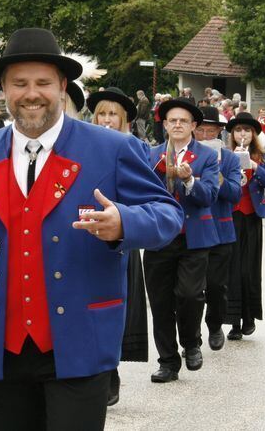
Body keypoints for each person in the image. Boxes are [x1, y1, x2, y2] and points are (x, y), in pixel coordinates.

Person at [0, 28, 183, 431]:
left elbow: (168, 215)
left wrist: (125, 222)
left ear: (62, 87)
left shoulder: (111, 148)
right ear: (3, 89)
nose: (31, 93)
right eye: (19, 83)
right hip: (0, 344)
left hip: (80, 341)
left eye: (42, 83)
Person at [144, 98, 220, 383]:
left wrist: (190, 181)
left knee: (189, 294)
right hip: (159, 237)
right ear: (165, 125)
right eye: (172, 120)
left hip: (194, 238)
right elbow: (141, 192)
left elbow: (209, 196)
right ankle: (167, 361)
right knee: (160, 302)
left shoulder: (207, 156)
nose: (177, 124)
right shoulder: (151, 155)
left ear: (193, 126)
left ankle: (191, 342)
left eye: (183, 121)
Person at [86, 87, 148, 405]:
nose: (107, 120)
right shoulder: (80, 146)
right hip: (84, 235)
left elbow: (144, 197)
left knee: (113, 308)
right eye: (102, 114)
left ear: (123, 120)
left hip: (119, 239)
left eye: (113, 114)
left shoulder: (133, 147)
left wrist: (122, 217)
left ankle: (110, 370)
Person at [225, 111, 265, 340]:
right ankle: (234, 322)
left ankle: (248, 317)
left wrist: (255, 167)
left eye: (247, 130)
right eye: (238, 130)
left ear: (254, 134)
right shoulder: (225, 155)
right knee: (231, 269)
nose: (242, 134)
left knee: (249, 269)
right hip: (230, 217)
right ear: (232, 134)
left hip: (251, 218)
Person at [193, 106, 242, 352]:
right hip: (193, 230)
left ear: (219, 132)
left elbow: (235, 194)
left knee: (216, 285)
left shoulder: (230, 159)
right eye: (200, 130)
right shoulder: (187, 155)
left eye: (210, 131)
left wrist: (217, 175)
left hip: (220, 231)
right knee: (191, 290)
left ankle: (214, 325)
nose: (205, 136)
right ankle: (191, 337)